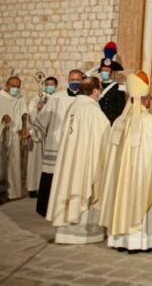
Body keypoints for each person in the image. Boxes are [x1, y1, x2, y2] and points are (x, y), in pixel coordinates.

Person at [99, 71, 152, 253]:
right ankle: (139, 243)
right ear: (145, 100)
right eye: (149, 98)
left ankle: (120, 241)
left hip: (120, 180)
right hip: (142, 177)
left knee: (121, 199)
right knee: (140, 199)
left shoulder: (119, 122)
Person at [46, 76, 110, 244]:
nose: (100, 93)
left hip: (70, 161)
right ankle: (82, 234)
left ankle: (64, 232)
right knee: (81, 187)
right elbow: (104, 139)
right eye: (100, 90)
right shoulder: (93, 111)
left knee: (68, 183)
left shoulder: (73, 107)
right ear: (95, 91)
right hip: (84, 163)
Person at [26, 69, 83, 217]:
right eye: (73, 79)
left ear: (82, 80)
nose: (75, 81)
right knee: (51, 176)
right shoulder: (57, 98)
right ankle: (46, 209)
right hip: (56, 142)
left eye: (78, 79)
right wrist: (32, 132)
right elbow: (44, 117)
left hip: (76, 144)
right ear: (68, 80)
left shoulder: (86, 99)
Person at [26, 76, 57, 197]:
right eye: (47, 84)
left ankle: (48, 188)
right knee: (35, 162)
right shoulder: (36, 98)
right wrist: (37, 110)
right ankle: (33, 187)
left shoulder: (57, 99)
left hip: (51, 135)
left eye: (52, 84)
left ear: (56, 85)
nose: (49, 86)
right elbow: (31, 115)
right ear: (44, 85)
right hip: (38, 134)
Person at [98, 42, 126, 124]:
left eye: (106, 70)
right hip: (97, 121)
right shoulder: (96, 85)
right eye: (102, 70)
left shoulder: (119, 87)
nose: (104, 72)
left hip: (111, 122)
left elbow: (121, 109)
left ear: (111, 72)